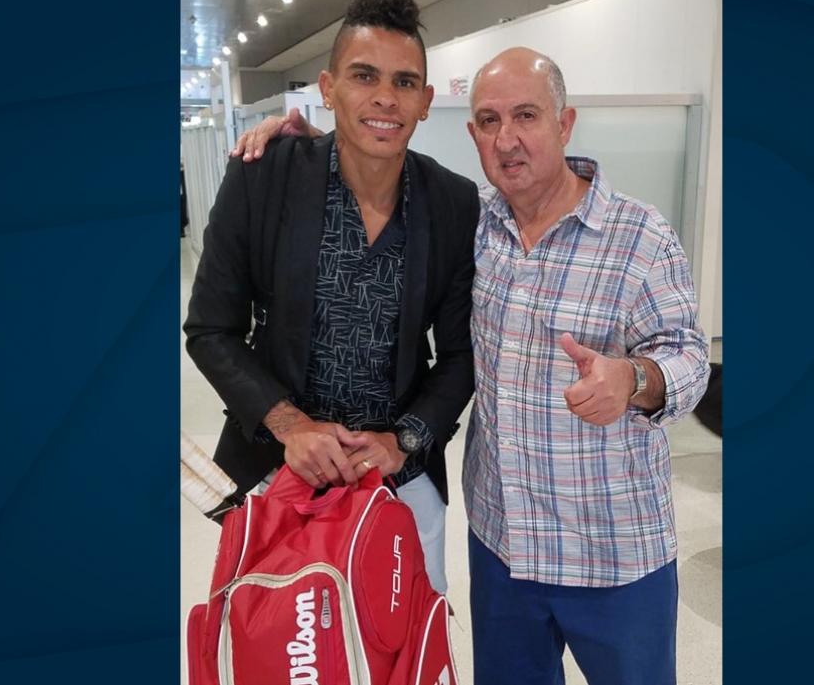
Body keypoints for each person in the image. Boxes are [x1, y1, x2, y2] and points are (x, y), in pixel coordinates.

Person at [233, 47, 710, 685]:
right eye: (488, 121)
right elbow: (383, 181)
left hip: (613, 553)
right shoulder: (472, 223)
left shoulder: (639, 236)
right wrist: (313, 142)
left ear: (564, 125)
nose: (507, 139)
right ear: (472, 134)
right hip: (502, 549)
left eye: (526, 116)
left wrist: (636, 379)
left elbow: (688, 354)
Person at [184, 0, 479, 595]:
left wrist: (404, 442)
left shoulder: (452, 202)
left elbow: (458, 354)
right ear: (328, 88)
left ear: (426, 101)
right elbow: (211, 330)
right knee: (286, 651)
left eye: (404, 83)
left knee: (402, 651)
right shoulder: (263, 179)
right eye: (364, 75)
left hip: (398, 480)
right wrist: (290, 425)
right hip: (275, 470)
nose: (384, 99)